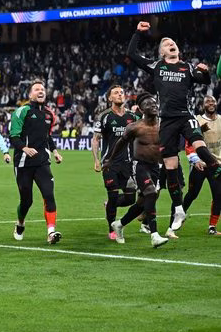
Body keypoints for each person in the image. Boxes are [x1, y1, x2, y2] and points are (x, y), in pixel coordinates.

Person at [126, 21, 220, 232]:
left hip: (185, 116)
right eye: (166, 43)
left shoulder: (186, 67)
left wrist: (204, 72)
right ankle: (178, 208)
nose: (171, 44)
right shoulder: (157, 66)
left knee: (199, 145)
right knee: (170, 167)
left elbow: (203, 80)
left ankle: (218, 170)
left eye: (173, 42)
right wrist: (138, 33)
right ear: (161, 52)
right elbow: (132, 54)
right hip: (166, 121)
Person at [103, 94, 171, 248]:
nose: (153, 106)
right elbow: (121, 143)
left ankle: (119, 224)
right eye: (148, 104)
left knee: (142, 203)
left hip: (156, 167)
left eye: (154, 103)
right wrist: (110, 160)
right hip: (139, 166)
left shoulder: (164, 125)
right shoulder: (135, 127)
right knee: (151, 193)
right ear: (141, 109)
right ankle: (154, 235)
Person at [9, 80, 63, 244]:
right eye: (37, 89)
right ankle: (20, 223)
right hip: (23, 163)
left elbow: (47, 136)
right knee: (27, 201)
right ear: (30, 94)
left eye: (43, 89)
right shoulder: (22, 111)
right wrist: (24, 148)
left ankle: (51, 232)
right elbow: (14, 137)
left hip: (42, 162)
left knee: (49, 195)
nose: (41, 91)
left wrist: (55, 152)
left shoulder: (49, 114)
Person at [93, 85, 140, 241]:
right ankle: (112, 228)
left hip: (128, 164)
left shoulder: (133, 117)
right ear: (109, 98)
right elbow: (96, 139)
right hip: (110, 164)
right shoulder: (104, 116)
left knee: (130, 199)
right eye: (116, 93)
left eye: (121, 92)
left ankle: (109, 205)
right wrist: (96, 160)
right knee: (113, 197)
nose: (120, 95)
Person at [182, 95, 221, 235]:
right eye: (207, 101)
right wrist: (195, 160)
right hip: (200, 164)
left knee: (218, 195)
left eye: (213, 101)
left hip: (216, 165)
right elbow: (189, 143)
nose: (211, 103)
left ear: (216, 104)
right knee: (192, 194)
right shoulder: (196, 120)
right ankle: (180, 215)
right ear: (202, 105)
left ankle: (212, 226)